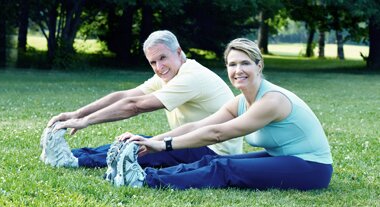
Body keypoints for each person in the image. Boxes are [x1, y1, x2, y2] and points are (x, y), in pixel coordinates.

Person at [116, 38, 333, 190]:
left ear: (259, 66)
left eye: (245, 63)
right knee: (210, 162)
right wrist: (150, 141)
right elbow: (198, 126)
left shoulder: (272, 101)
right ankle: (140, 175)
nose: (238, 70)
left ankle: (143, 181)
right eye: (232, 64)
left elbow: (218, 133)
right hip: (285, 158)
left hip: (311, 168)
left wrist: (165, 146)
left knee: (224, 167)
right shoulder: (240, 101)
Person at [46, 30, 243, 169]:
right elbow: (126, 95)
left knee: (140, 149)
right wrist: (77, 114)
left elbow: (135, 106)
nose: (159, 67)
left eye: (163, 58)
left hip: (214, 152)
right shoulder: (172, 73)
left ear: (178, 51)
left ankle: (73, 162)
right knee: (135, 141)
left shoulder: (191, 77)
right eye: (153, 62)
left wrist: (85, 121)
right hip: (191, 141)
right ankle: (74, 154)